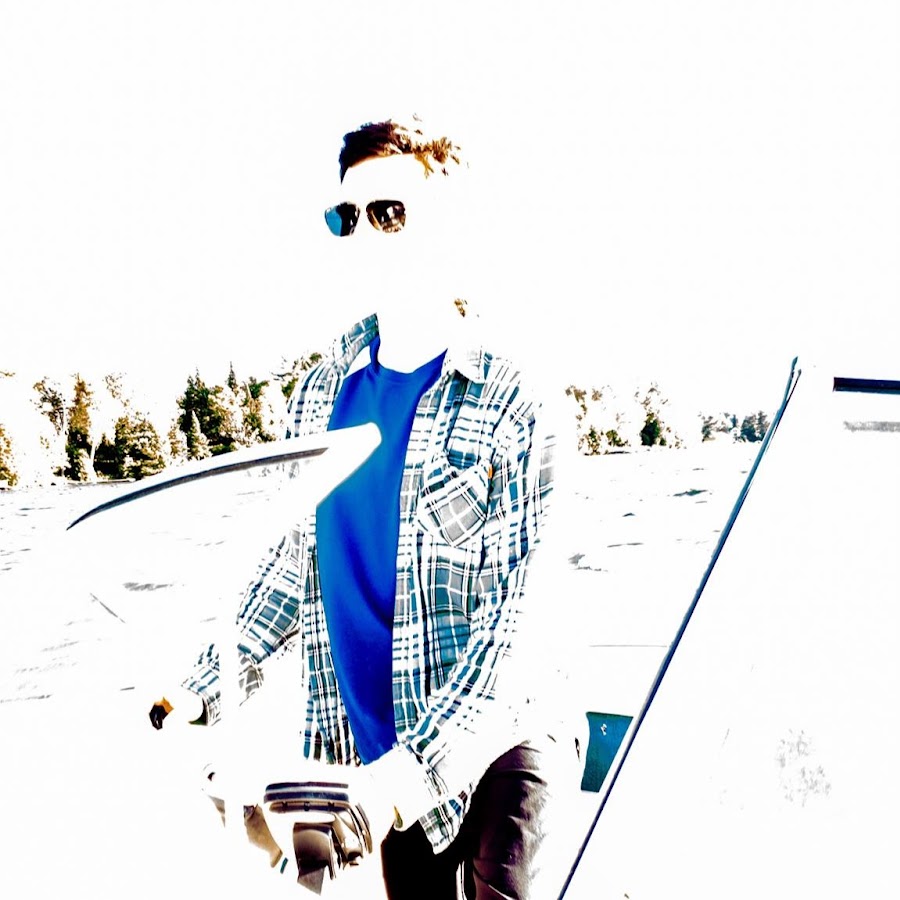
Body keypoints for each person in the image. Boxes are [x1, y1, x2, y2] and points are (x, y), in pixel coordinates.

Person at [149, 116, 577, 899]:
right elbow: (291, 567)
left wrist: (402, 783)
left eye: (390, 213)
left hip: (504, 735)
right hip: (378, 745)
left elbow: (516, 628)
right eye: (347, 217)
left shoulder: (518, 397)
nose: (364, 235)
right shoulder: (319, 395)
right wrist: (201, 688)